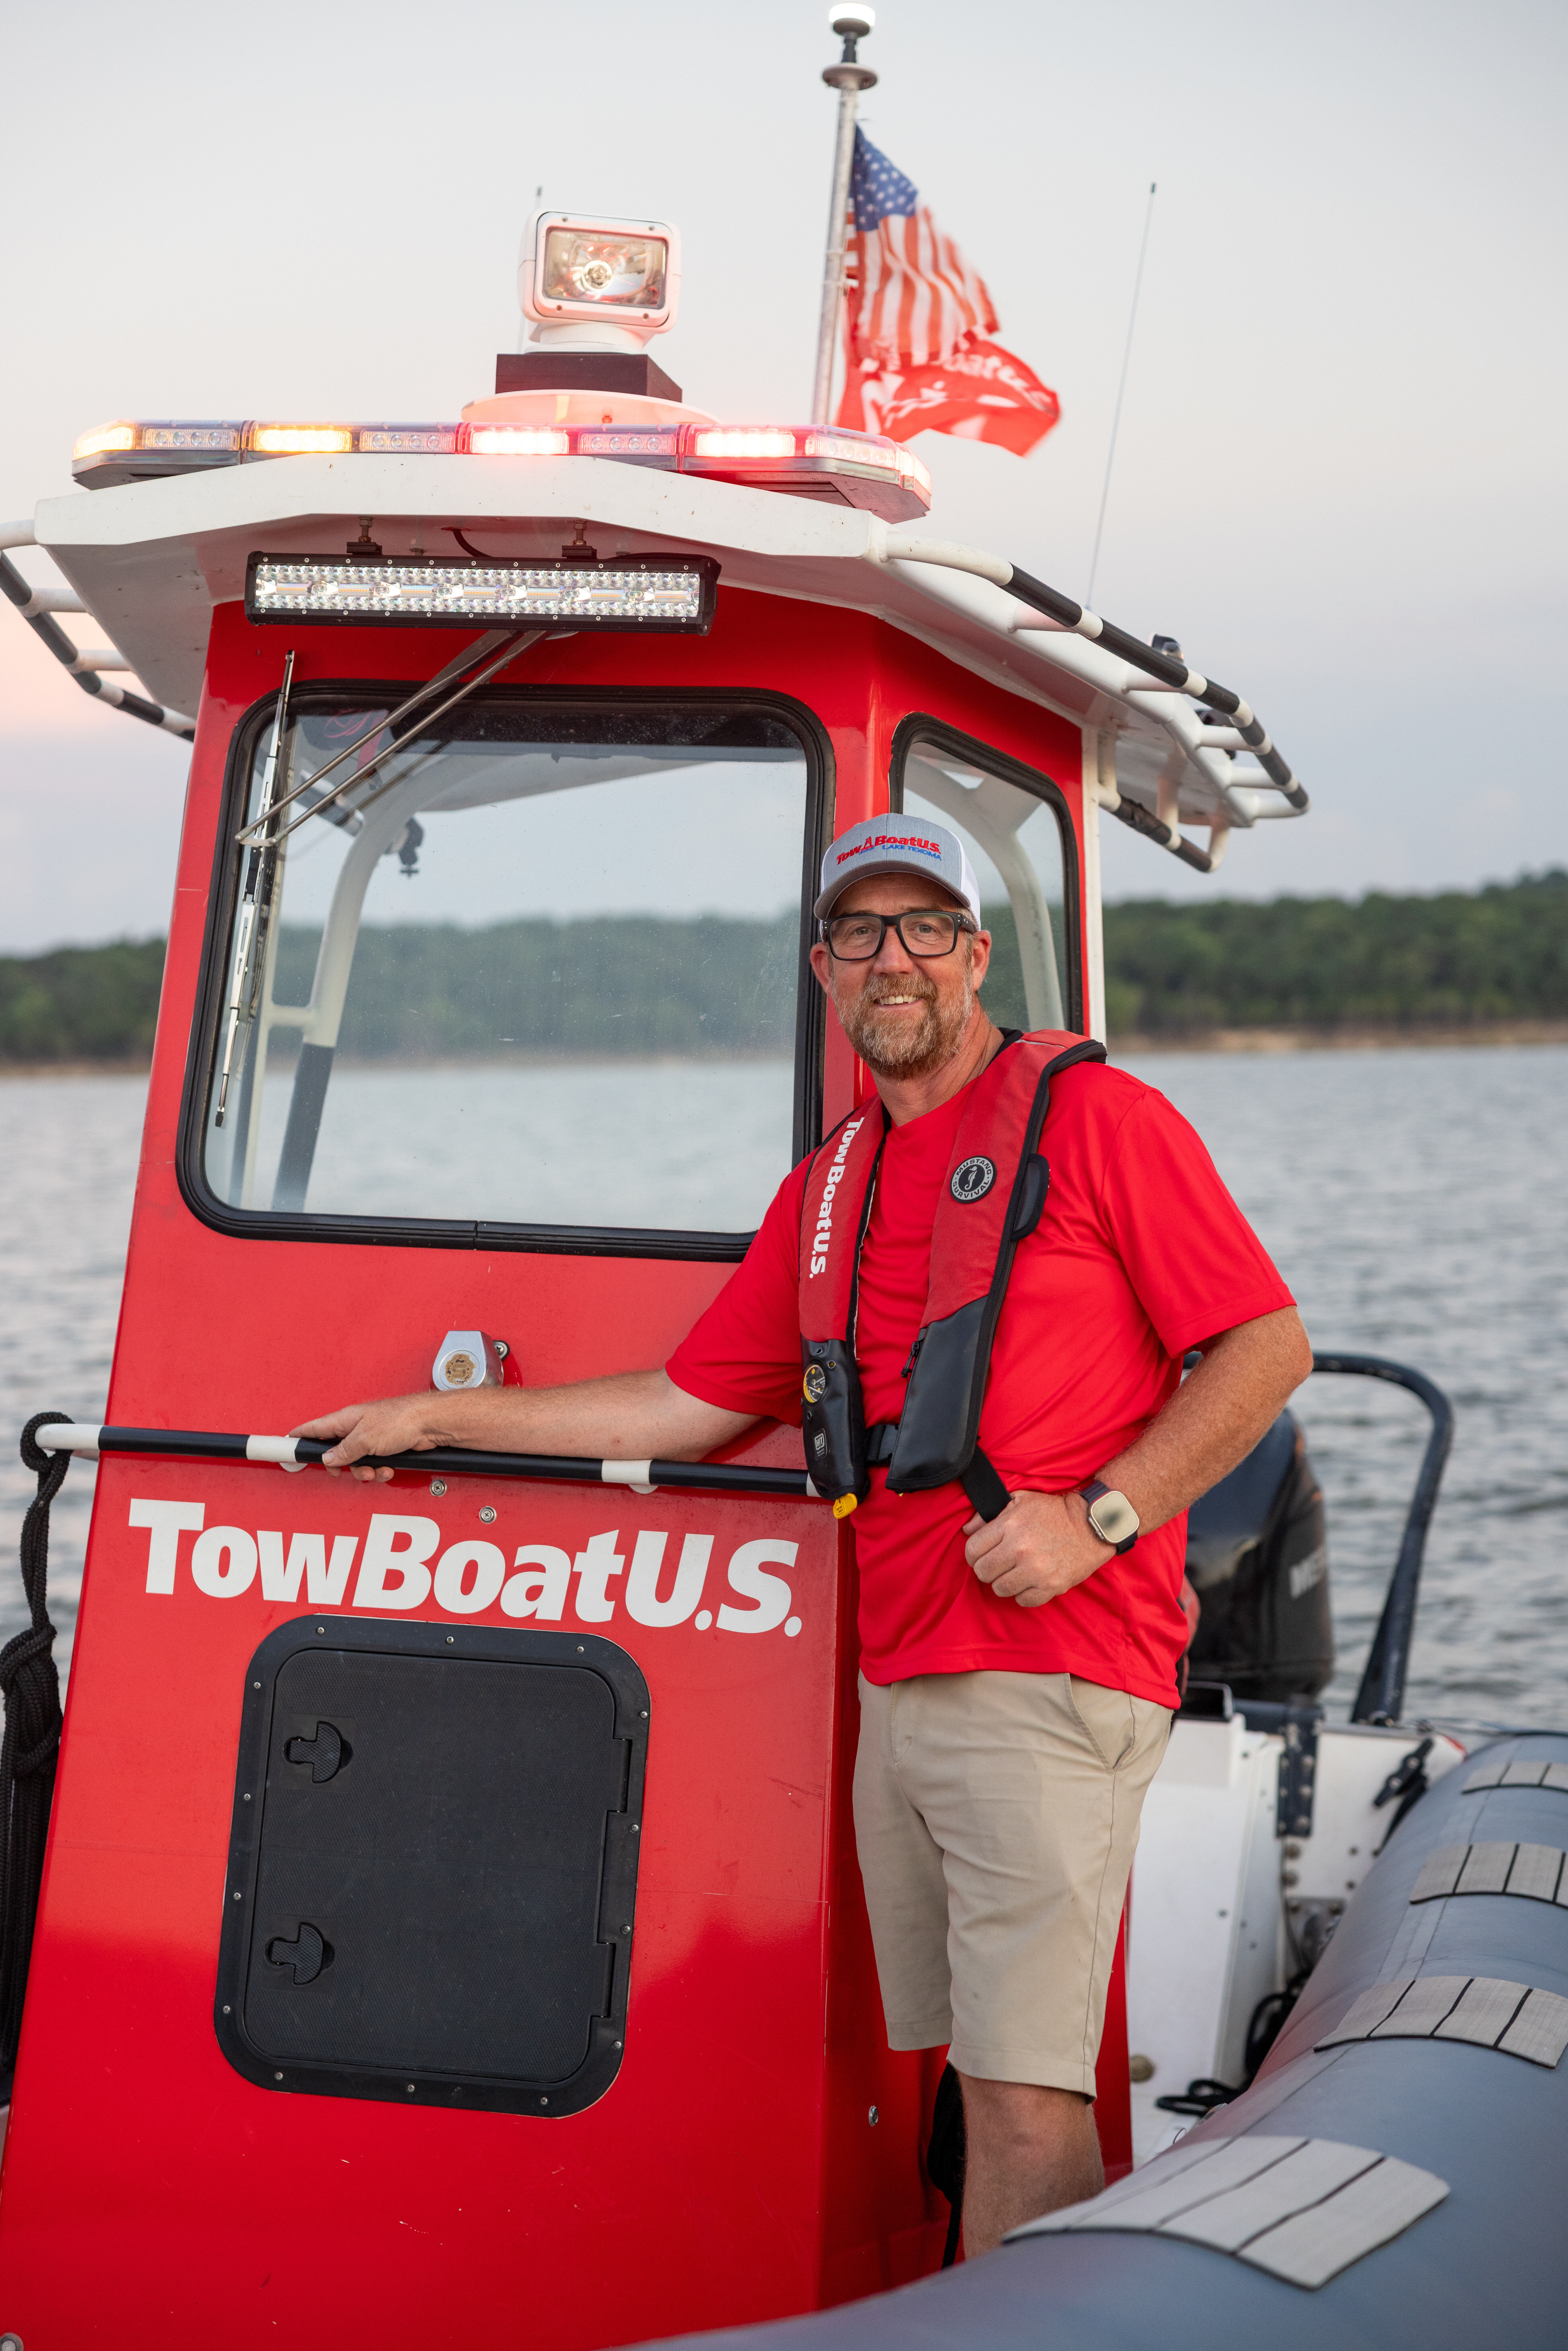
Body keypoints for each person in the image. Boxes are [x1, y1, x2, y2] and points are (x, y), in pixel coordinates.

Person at [293, 814, 1311, 2254]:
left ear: (972, 952)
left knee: (1028, 2102)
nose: (888, 962)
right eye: (856, 933)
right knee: (973, 2080)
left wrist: (1100, 1515)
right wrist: (434, 1419)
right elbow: (683, 1405)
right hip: (901, 1681)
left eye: (919, 930)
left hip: (1051, 1665)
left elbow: (1265, 1345)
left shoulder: (1100, 1121)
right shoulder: (830, 1188)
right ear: (820, 964)